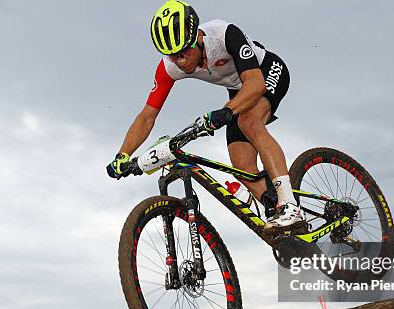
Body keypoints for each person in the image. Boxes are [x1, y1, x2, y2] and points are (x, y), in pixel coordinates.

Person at [107, 0, 304, 233]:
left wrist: (229, 110)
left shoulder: (224, 34)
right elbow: (146, 117)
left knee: (249, 122)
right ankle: (277, 212)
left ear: (197, 39)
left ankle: (291, 206)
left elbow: (255, 84)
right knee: (240, 164)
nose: (179, 61)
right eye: (171, 56)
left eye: (182, 53)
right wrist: (123, 154)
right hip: (238, 89)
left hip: (265, 72)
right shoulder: (170, 68)